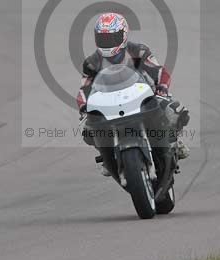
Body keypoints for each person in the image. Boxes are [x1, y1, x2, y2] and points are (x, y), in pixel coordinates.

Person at [77, 12, 190, 163]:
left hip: (143, 96)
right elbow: (84, 89)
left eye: (111, 37)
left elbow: (160, 71)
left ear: (123, 35)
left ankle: (172, 142)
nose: (107, 42)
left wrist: (161, 87)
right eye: (103, 38)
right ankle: (108, 157)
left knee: (174, 110)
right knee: (88, 129)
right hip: (108, 103)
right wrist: (84, 106)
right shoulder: (91, 62)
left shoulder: (139, 50)